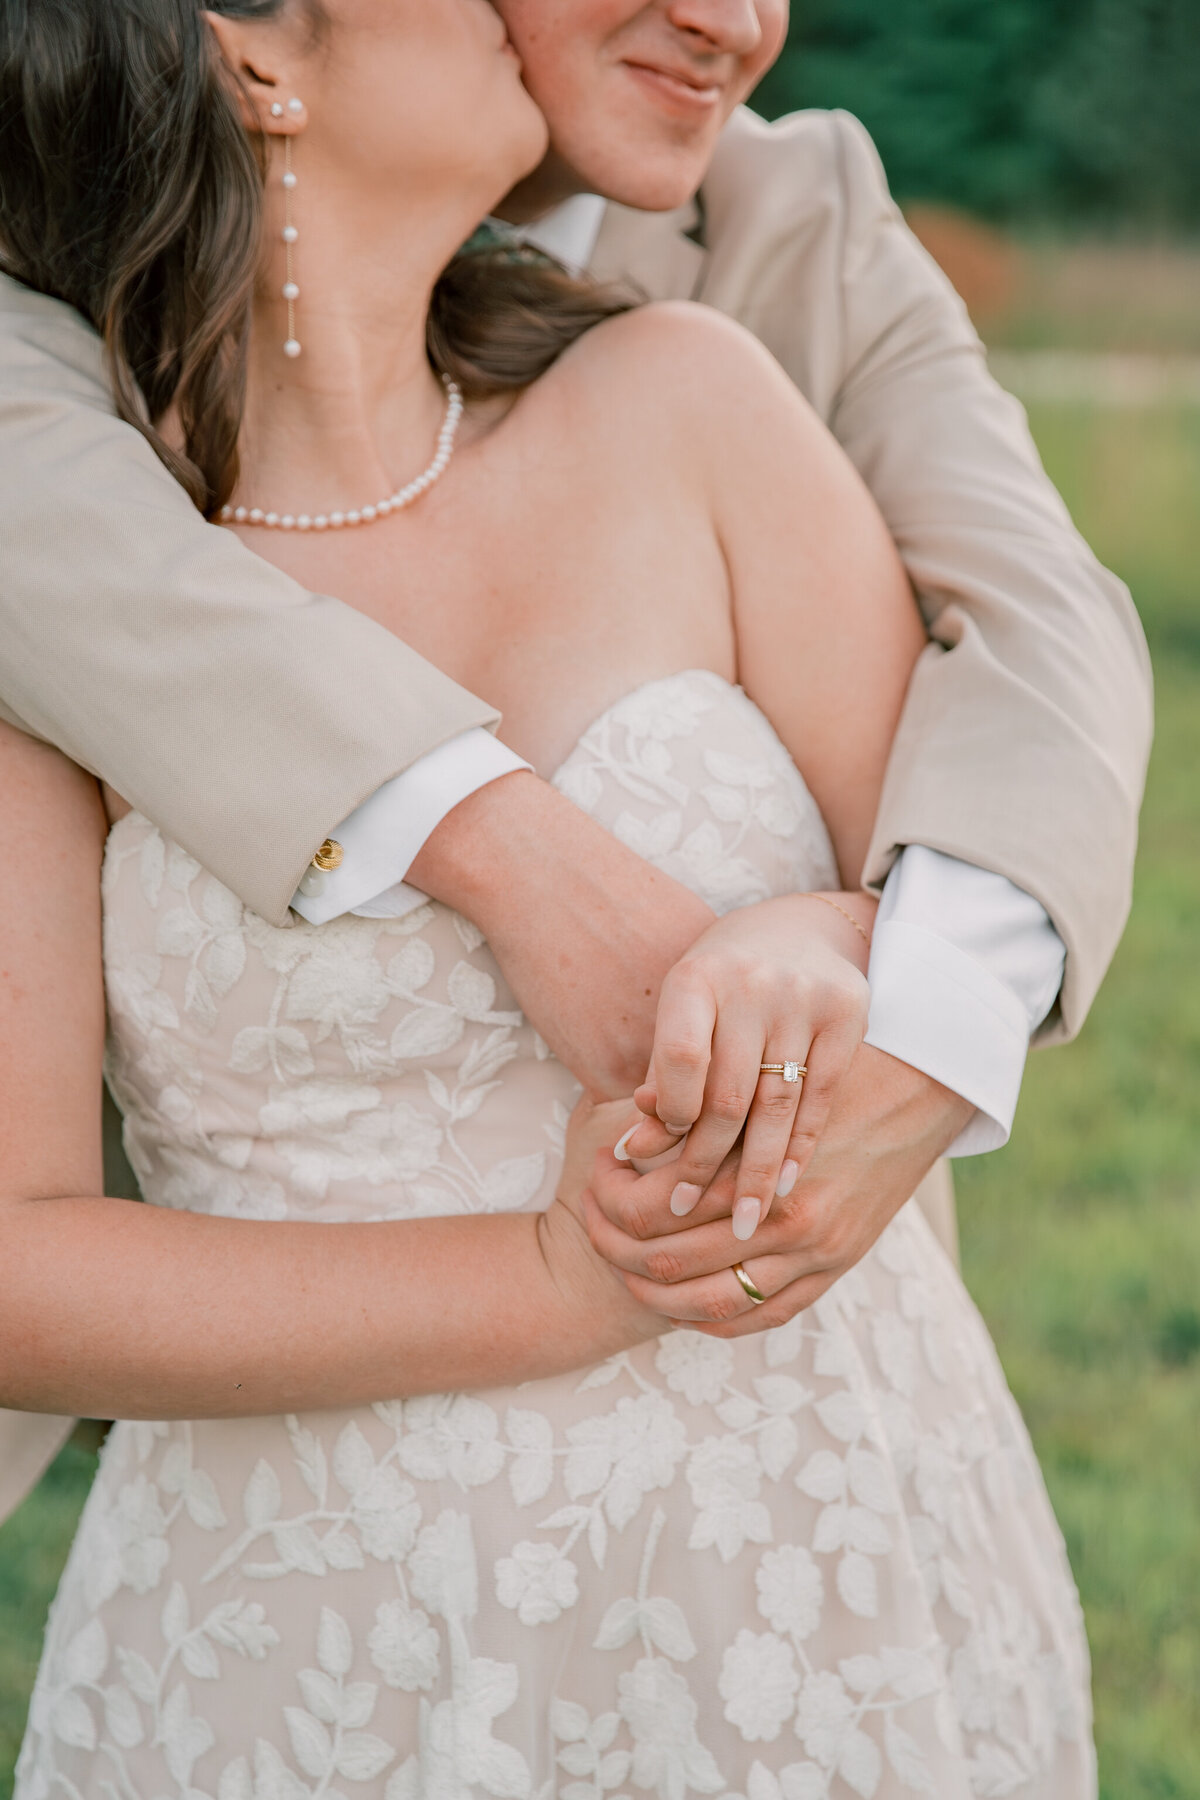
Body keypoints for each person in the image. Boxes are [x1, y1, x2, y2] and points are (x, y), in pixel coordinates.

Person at [0, 0, 1100, 1791]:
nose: (741, 17)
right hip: (315, 1625)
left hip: (811, 1570)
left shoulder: (699, 385)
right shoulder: (59, 553)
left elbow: (1008, 711)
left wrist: (840, 947)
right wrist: (554, 1279)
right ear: (254, 51)